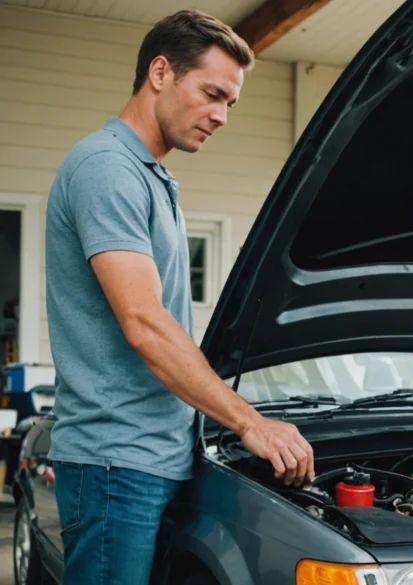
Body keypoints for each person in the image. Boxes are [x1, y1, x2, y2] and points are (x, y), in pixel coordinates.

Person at [44, 10, 314, 585]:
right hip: (115, 459)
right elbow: (143, 321)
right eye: (212, 93)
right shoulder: (107, 167)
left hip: (156, 457)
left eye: (230, 104)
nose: (220, 115)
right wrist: (248, 422)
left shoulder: (153, 177)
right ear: (160, 72)